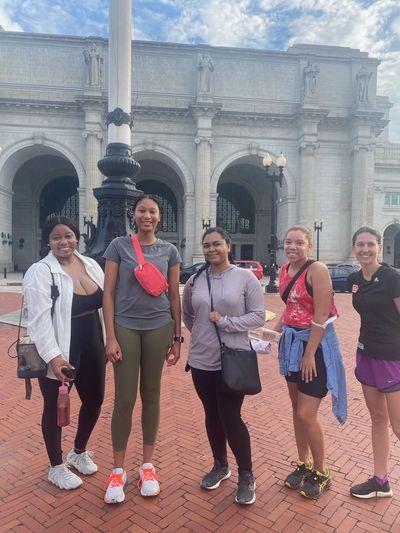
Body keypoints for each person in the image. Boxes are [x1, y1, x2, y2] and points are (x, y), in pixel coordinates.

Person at [102, 194, 182, 504]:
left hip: (159, 326)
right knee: (124, 398)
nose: (147, 216)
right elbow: (108, 293)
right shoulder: (119, 246)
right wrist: (110, 336)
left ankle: (147, 465)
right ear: (134, 215)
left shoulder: (170, 250)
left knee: (152, 395)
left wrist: (177, 337)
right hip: (125, 326)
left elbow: (174, 296)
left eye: (152, 212)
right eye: (141, 211)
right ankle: (118, 470)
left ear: (160, 217)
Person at [182, 227, 265, 505]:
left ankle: (246, 474)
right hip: (201, 359)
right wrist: (202, 334)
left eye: (217, 244)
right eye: (206, 245)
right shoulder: (195, 280)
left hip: (233, 357)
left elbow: (258, 317)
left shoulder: (245, 278)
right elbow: (188, 315)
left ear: (228, 246)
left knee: (230, 416)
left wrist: (227, 324)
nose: (211, 249)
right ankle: (220, 465)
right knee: (211, 413)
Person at [23, 216, 106, 490]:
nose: (63, 242)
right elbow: (38, 320)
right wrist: (53, 356)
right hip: (61, 345)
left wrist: (110, 341)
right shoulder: (41, 271)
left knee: (94, 400)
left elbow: (105, 304)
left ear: (77, 238)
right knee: (56, 406)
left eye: (68, 236)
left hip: (93, 339)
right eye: (56, 237)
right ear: (48, 241)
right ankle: (56, 466)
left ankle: (78, 452)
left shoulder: (91, 265)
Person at [275, 226, 346, 499]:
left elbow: (321, 315)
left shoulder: (317, 270)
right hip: (291, 344)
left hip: (315, 348)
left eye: (299, 243)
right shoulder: (285, 270)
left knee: (307, 413)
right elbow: (290, 309)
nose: (292, 247)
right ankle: (303, 464)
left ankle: (321, 470)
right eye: (288, 242)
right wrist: (273, 331)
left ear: (309, 245)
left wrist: (308, 353)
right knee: (296, 408)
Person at [348, 227, 400, 499]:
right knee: (377, 419)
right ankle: (381, 481)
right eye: (360, 245)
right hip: (365, 354)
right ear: (354, 248)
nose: (365, 250)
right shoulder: (354, 278)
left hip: (392, 358)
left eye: (370, 244)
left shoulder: (392, 278)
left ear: (379, 247)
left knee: (398, 426)